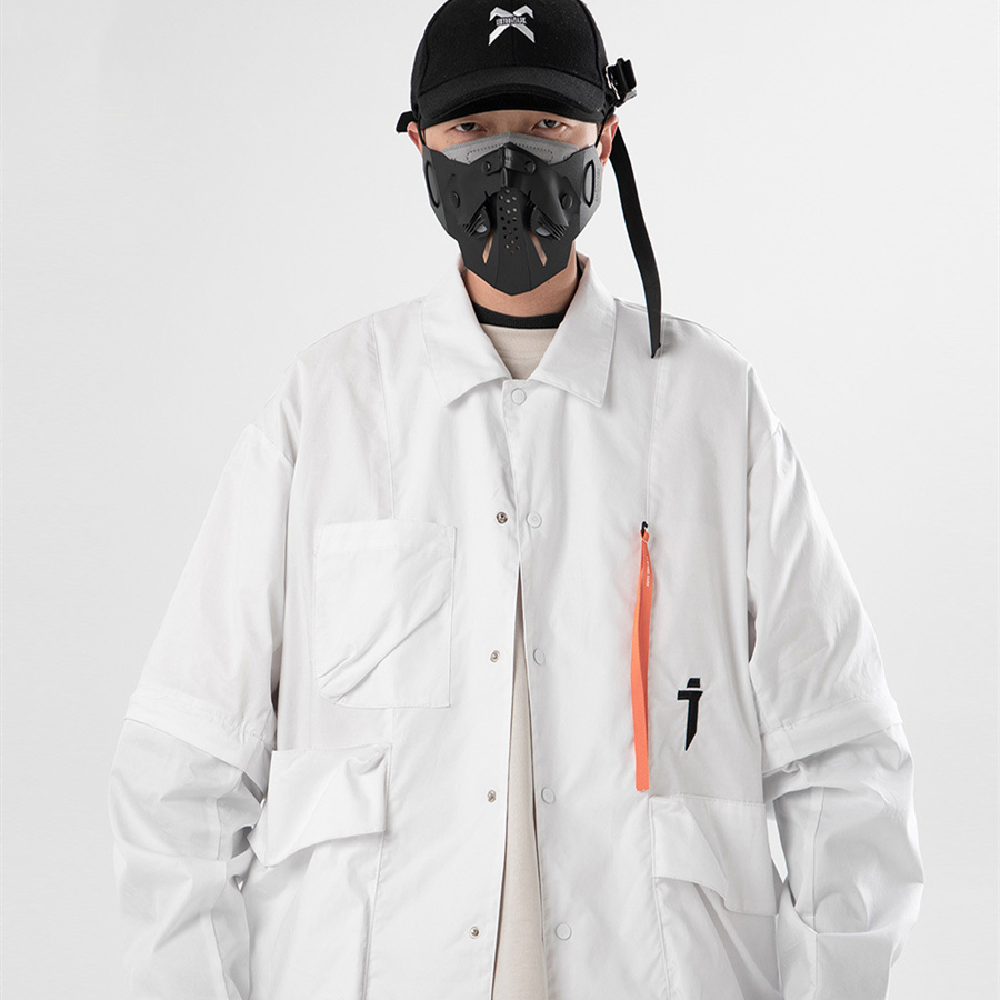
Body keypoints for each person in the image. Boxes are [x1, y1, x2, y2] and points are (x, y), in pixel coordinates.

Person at [107, 1, 923, 998]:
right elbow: (182, 770)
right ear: (419, 147)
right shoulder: (328, 407)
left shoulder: (712, 408)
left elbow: (841, 761)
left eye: (545, 127)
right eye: (470, 130)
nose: (507, 164)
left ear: (604, 141)